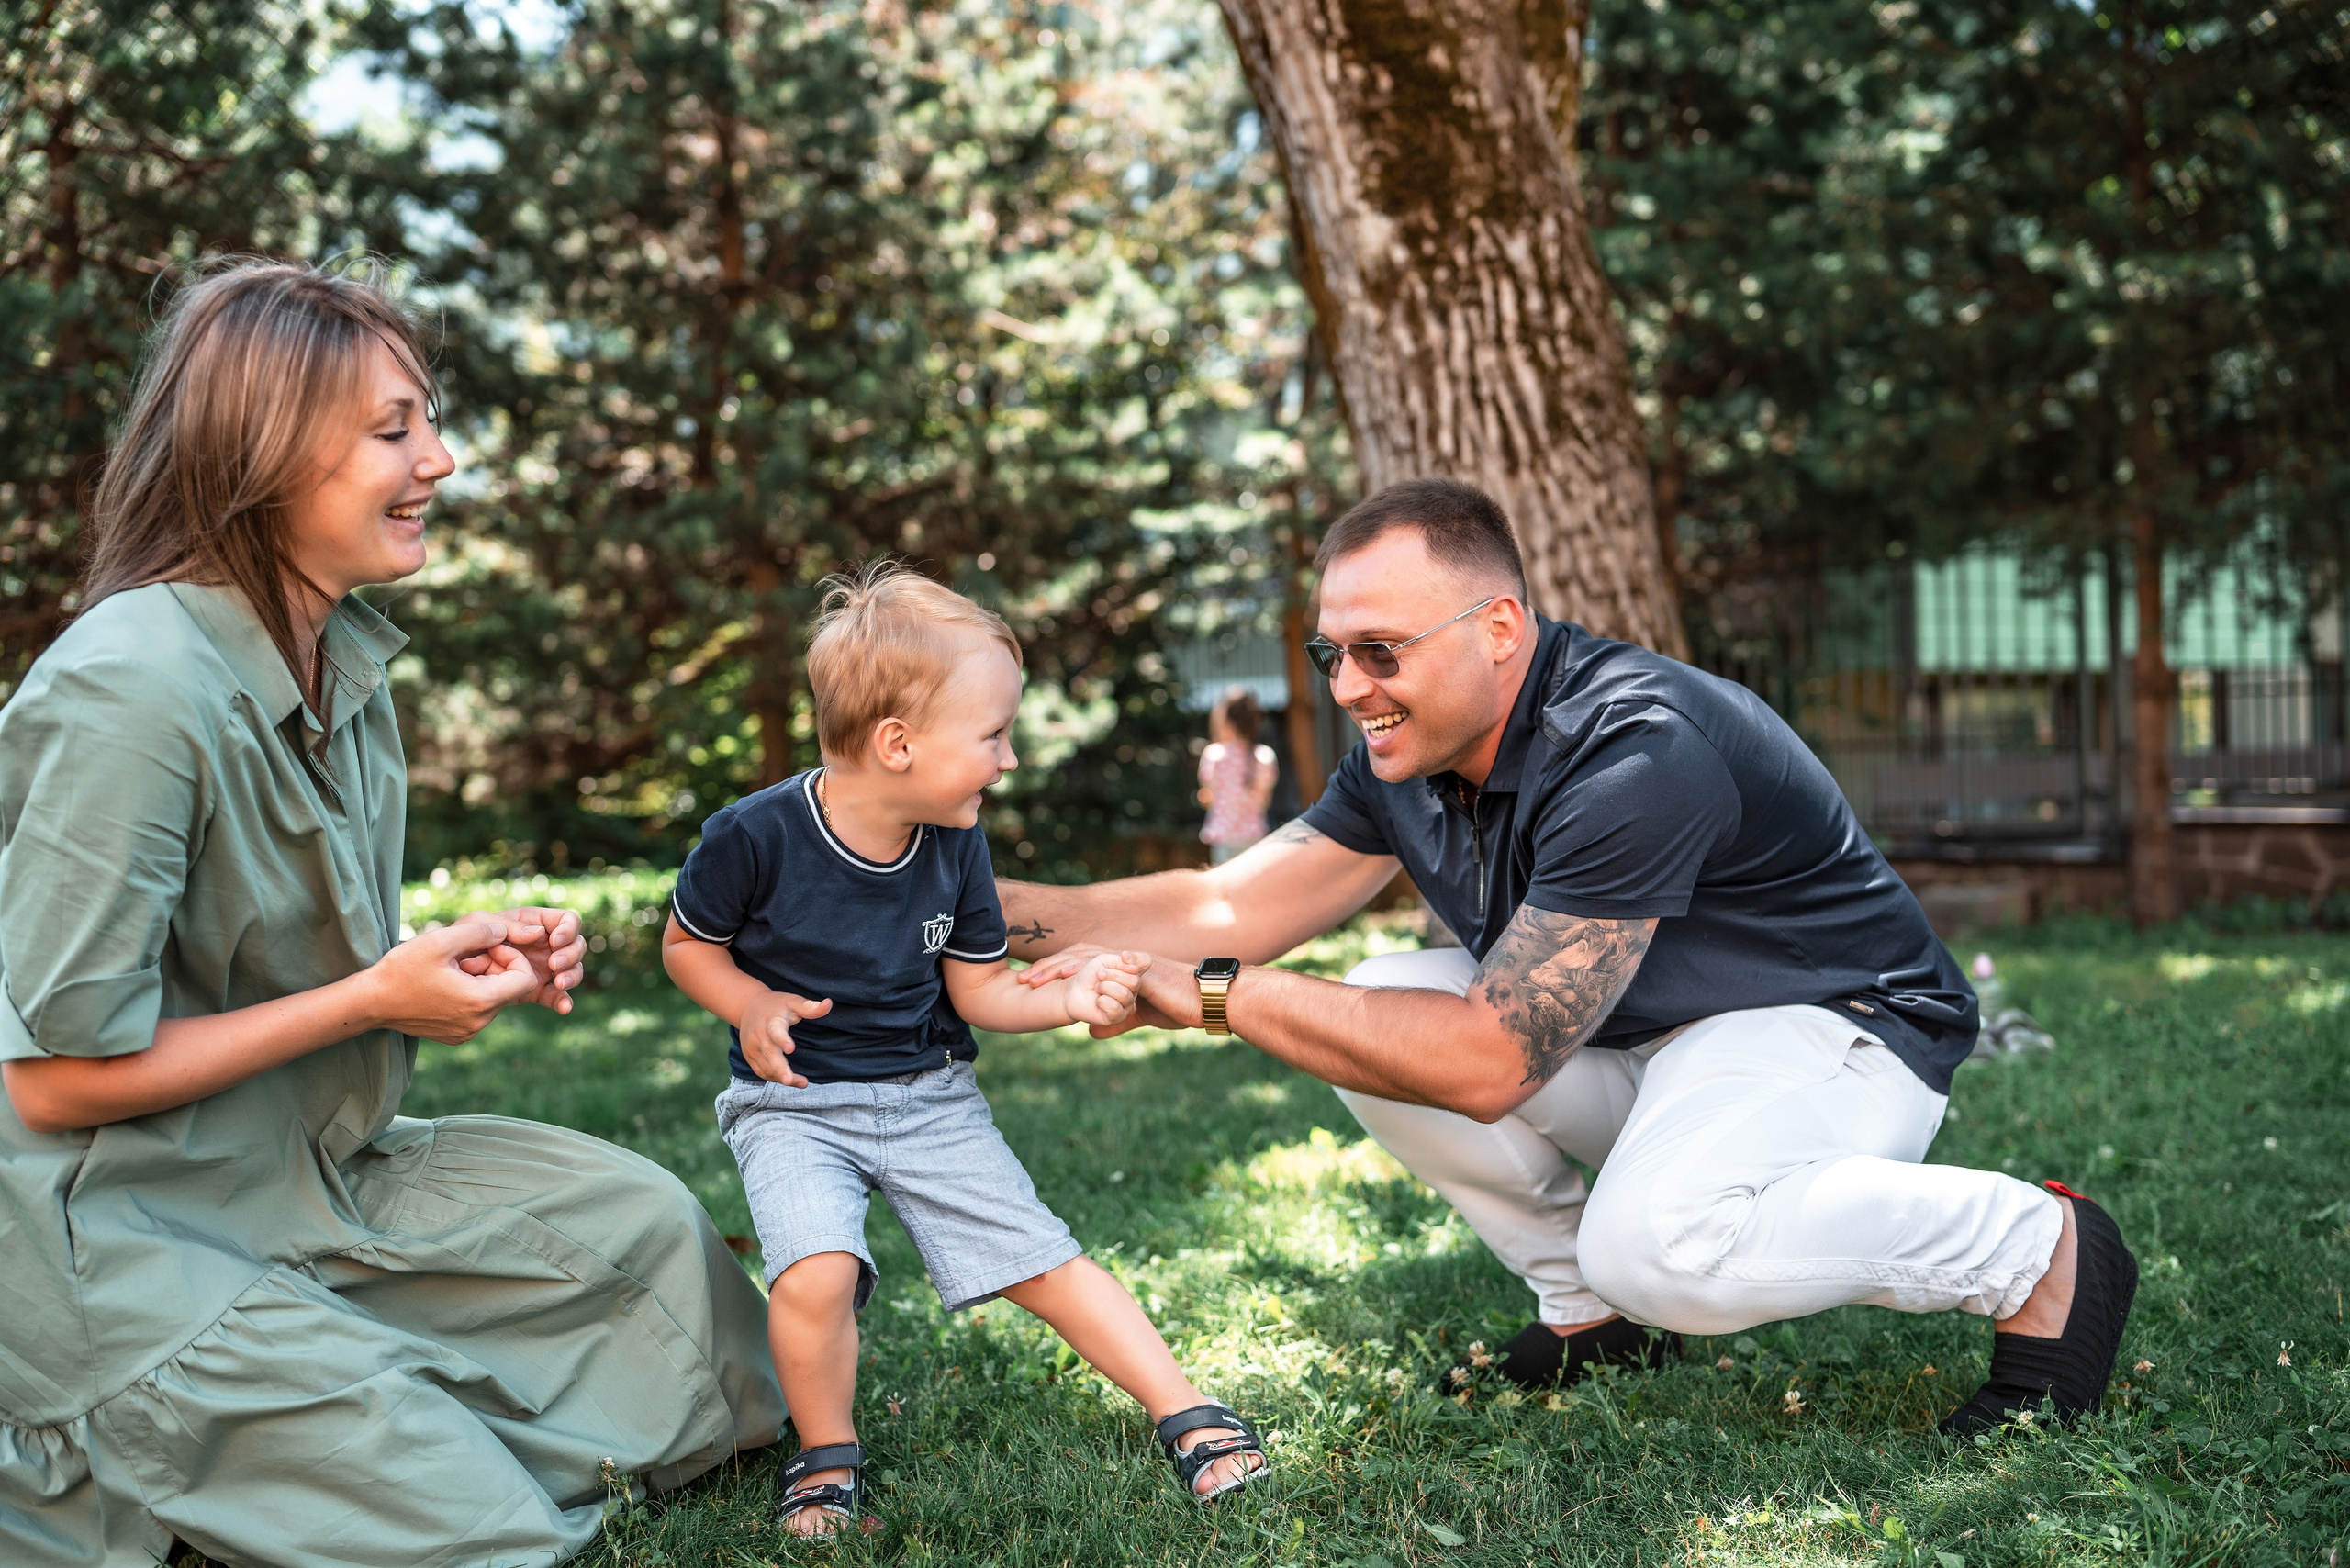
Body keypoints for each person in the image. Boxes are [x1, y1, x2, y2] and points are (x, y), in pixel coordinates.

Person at [1007, 478, 2137, 1438]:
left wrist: (1215, 998)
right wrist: (972, 906)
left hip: (1833, 1031)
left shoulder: (1632, 750)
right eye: (1330, 653)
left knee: (1658, 1245)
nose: (1348, 687)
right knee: (1382, 1004)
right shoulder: (1409, 750)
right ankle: (1586, 1316)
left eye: (1378, 651)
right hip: (1650, 1041)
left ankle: (2037, 1246)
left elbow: (1486, 1060)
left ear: (1498, 629)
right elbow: (1222, 903)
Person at [0, 260, 784, 1568]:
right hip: (111, 1234)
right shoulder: (128, 689)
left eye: (429, 420)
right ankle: (156, 1458)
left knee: (668, 1270)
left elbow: (284, 952)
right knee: (471, 1531)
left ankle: (308, 1436)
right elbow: (55, 1081)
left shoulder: (345, 661)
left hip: (309, 1172)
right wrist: (374, 998)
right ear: (263, 450)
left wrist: (452, 955)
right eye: (395, 430)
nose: (444, 458)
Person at [660, 565, 1270, 1537]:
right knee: (814, 1273)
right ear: (896, 744)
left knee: (1043, 1257)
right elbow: (686, 943)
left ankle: (1184, 1408)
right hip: (793, 1102)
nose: (1011, 759)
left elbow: (978, 988)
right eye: (991, 736)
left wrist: (1068, 993)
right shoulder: (755, 836)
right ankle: (825, 1456)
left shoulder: (955, 842)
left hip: (927, 1095)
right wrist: (749, 1001)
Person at [1198, 686, 1279, 864]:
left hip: (1223, 836)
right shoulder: (1265, 756)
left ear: (1225, 720)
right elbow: (1265, 802)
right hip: (1254, 835)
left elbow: (1208, 799)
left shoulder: (1214, 755)